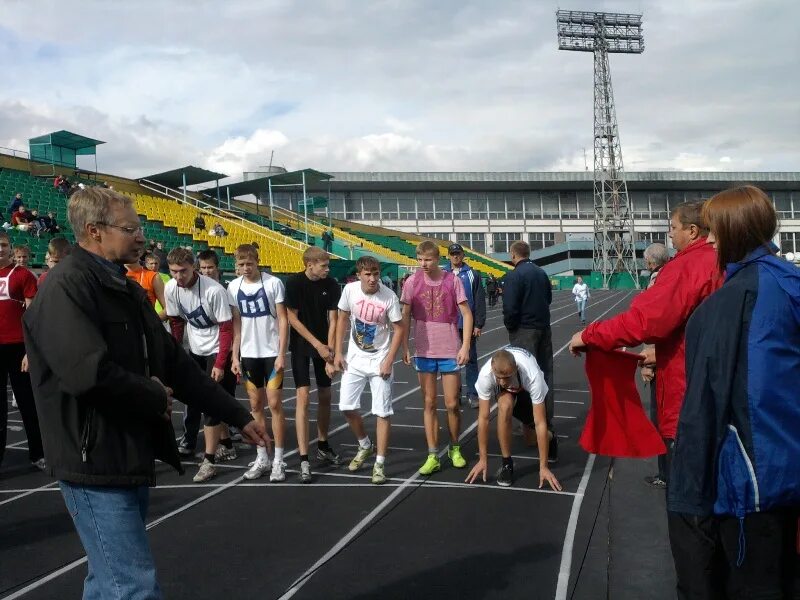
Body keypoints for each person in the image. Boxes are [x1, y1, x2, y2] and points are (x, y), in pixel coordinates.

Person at [22, 187, 268, 599]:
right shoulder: (66, 288)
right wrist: (154, 395)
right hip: (93, 461)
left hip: (124, 452)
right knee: (132, 587)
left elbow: (175, 364)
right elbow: (88, 373)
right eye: (130, 228)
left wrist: (237, 415)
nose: (141, 237)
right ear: (94, 231)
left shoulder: (125, 289)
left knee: (108, 583)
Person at [667, 186, 800, 597]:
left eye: (715, 232)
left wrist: (689, 495)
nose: (709, 240)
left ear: (733, 232)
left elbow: (705, 408)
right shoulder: (791, 281)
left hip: (750, 486)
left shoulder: (725, 305)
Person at [569, 201, 722, 482]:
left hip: (687, 394)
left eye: (673, 228)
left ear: (692, 231)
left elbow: (646, 321)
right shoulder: (721, 261)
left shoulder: (687, 267)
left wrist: (589, 334)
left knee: (688, 504)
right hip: (713, 389)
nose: (670, 235)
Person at [400, 241, 473, 475]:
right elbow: (405, 316)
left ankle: (455, 447)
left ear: (438, 259)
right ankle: (432, 454)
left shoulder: (453, 280)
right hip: (424, 351)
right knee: (429, 403)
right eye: (420, 259)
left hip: (450, 348)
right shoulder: (411, 282)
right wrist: (405, 346)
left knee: (452, 403)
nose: (423, 264)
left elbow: (467, 314)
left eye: (428, 260)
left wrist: (466, 346)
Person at [164, 248, 239, 464]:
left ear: (193, 268)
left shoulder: (213, 291)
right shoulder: (172, 288)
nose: (178, 276)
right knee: (195, 398)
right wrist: (176, 352)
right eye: (173, 271)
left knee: (213, 400)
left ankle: (210, 458)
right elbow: (176, 322)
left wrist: (220, 362)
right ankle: (224, 444)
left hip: (217, 349)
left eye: (183, 271)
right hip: (195, 349)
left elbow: (226, 328)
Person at [333, 256, 403, 485]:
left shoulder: (389, 296)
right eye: (368, 274)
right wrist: (338, 352)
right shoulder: (350, 291)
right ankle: (365, 445)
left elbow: (399, 329)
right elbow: (342, 319)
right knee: (346, 407)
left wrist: (389, 360)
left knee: (382, 412)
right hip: (354, 359)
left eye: (376, 273)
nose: (373, 279)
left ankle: (379, 463)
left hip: (380, 360)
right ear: (359, 275)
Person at [228, 244, 289, 482]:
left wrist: (282, 353)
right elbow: (236, 324)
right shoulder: (233, 287)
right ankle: (262, 455)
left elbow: (283, 320)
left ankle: (279, 460)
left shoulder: (273, 284)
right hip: (249, 354)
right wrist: (235, 355)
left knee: (274, 404)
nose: (245, 268)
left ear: (257, 262)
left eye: (249, 264)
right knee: (255, 406)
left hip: (271, 353)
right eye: (241, 265)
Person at [284, 246, 342, 482]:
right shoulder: (294, 283)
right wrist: (316, 345)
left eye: (328, 265)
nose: (327, 269)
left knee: (326, 395)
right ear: (310, 264)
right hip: (302, 346)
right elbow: (292, 318)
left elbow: (334, 319)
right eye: (323, 265)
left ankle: (322, 443)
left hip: (323, 346)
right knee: (304, 397)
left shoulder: (331, 285)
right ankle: (304, 458)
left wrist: (328, 352)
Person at [465, 348, 561, 489]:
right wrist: (482, 459)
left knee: (530, 440)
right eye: (499, 378)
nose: (503, 382)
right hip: (509, 392)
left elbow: (540, 422)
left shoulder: (532, 376)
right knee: (504, 406)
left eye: (507, 377)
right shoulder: (486, 375)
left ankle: (551, 437)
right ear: (492, 369)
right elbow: (484, 418)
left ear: (515, 369)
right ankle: (507, 464)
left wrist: (544, 467)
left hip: (524, 388)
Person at [502, 240, 558, 462]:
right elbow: (549, 299)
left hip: (524, 330)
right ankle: (547, 424)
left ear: (513, 255)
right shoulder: (541, 273)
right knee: (545, 376)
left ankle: (530, 426)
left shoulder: (515, 275)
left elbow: (510, 306)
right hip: (543, 328)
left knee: (523, 378)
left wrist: (511, 326)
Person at [0, 231, 44, 470]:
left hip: (18, 348)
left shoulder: (23, 275)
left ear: (10, 248)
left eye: (4, 245)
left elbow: (33, 317)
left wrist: (30, 351)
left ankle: (38, 452)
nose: (0, 249)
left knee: (27, 403)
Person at [639, 242, 670, 488]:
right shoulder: (672, 274)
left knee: (661, 418)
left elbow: (653, 322)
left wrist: (649, 355)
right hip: (668, 354)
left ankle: (666, 474)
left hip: (664, 357)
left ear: (650, 263)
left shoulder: (657, 281)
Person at [443, 243, 486, 409]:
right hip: (447, 325)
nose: (455, 256)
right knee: (450, 360)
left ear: (463, 255)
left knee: (470, 359)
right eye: (452, 254)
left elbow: (479, 299)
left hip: (466, 325)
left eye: (458, 254)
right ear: (448, 255)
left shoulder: (472, 274)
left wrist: (479, 323)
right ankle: (455, 392)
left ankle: (472, 394)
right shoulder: (442, 273)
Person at [126, 252, 167, 320]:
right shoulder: (113, 274)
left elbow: (168, 308)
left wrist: (151, 323)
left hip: (144, 328)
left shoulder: (153, 276)